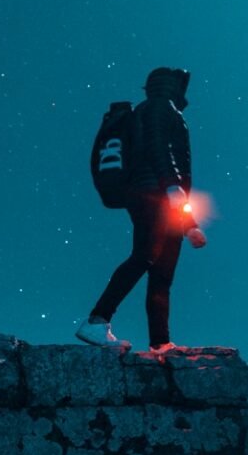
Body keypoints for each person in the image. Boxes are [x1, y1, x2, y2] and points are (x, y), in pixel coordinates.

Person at [76, 67, 206, 352]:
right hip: (153, 194)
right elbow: (159, 149)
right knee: (145, 256)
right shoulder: (159, 107)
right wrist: (172, 189)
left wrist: (189, 224)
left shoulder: (161, 108)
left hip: (164, 196)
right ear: (172, 86)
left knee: (162, 272)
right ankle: (97, 321)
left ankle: (160, 342)